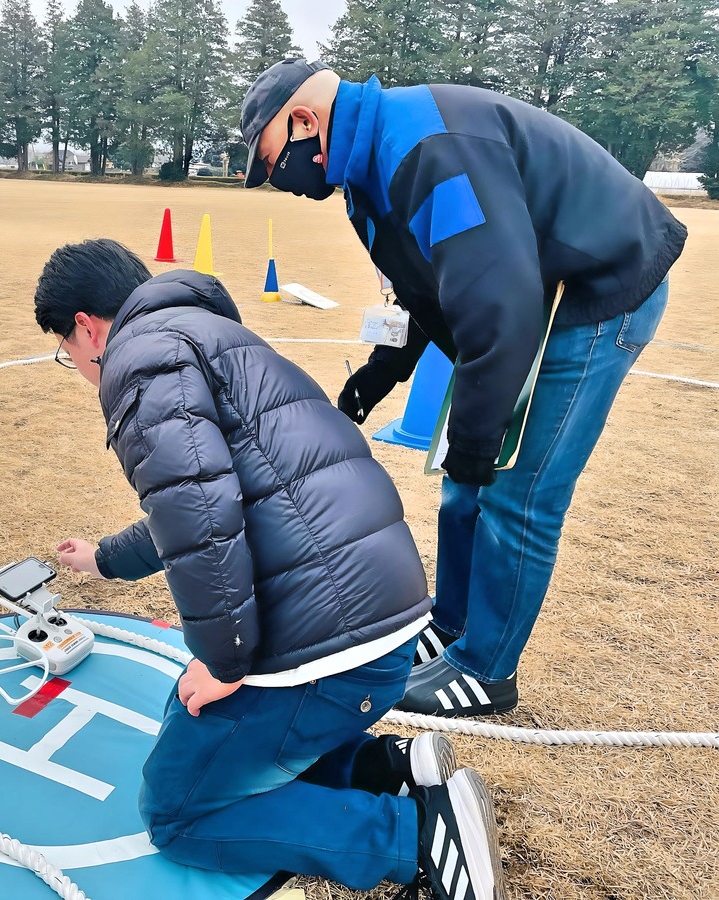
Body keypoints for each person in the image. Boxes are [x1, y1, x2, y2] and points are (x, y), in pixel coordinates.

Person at [34, 237, 507, 899]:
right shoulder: (208, 335)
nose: (76, 364)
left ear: (86, 327)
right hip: (383, 612)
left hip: (333, 643)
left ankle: (416, 836)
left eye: (66, 349)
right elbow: (206, 503)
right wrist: (105, 559)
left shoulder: (136, 360)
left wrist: (225, 661)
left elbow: (198, 516)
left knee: (177, 809)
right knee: (208, 720)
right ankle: (384, 768)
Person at [239, 58, 687, 718]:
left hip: (596, 288)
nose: (277, 180)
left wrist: (477, 445)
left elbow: (497, 310)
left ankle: (485, 670)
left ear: (305, 122)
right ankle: (451, 629)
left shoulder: (426, 150)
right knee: (462, 484)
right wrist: (382, 371)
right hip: (527, 294)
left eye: (273, 161)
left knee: (516, 491)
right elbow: (430, 290)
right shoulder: (364, 181)